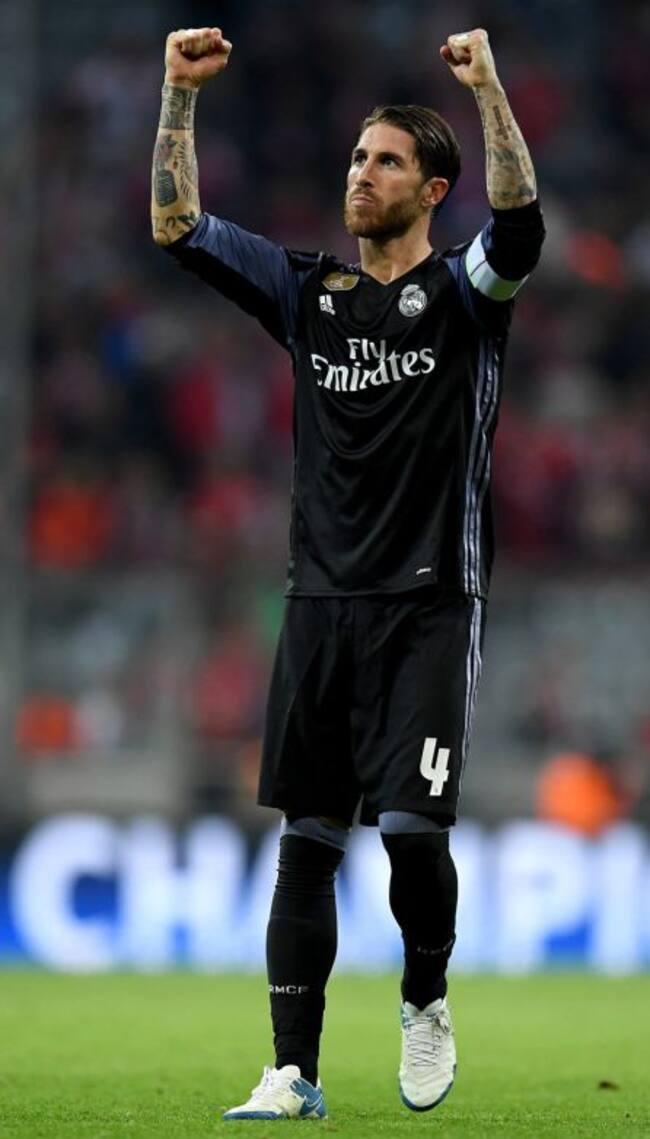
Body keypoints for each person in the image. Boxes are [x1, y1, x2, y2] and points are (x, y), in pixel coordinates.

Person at [152, 24, 545, 1121]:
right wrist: (178, 96)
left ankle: (424, 995)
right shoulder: (306, 292)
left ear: (431, 189)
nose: (359, 175)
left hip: (428, 601)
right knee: (306, 842)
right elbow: (176, 225)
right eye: (356, 157)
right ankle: (293, 1069)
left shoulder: (465, 294)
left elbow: (520, 224)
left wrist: (487, 88)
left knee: (412, 832)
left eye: (385, 161)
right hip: (319, 602)